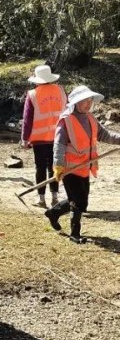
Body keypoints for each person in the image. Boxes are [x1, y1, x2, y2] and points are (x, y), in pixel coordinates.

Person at [45, 86, 120, 244]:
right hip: (69, 168)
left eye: (89, 101)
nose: (87, 104)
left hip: (85, 167)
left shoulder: (90, 118)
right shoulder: (66, 121)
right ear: (75, 102)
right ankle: (75, 233)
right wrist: (58, 166)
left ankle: (53, 213)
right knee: (78, 200)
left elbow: (105, 135)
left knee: (81, 200)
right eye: (84, 101)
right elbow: (58, 146)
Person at [21, 65, 67, 208]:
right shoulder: (61, 91)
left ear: (37, 80)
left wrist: (25, 139)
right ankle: (54, 197)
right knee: (54, 167)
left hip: (39, 138)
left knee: (40, 167)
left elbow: (27, 119)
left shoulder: (33, 94)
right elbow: (68, 111)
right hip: (59, 136)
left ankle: (41, 199)